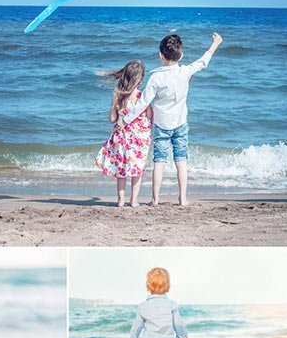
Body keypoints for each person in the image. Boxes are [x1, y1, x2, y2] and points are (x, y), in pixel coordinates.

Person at [126, 32, 223, 207]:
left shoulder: (156, 77)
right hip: (180, 123)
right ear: (181, 55)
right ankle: (182, 198)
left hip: (161, 125)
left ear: (160, 55)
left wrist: (125, 119)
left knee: (159, 162)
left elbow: (142, 103)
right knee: (181, 161)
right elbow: (203, 62)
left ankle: (155, 199)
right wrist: (215, 44)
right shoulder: (185, 71)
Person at [95, 60, 152, 209]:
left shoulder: (118, 95)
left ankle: (120, 200)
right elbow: (150, 115)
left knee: (122, 170)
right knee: (136, 170)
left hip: (121, 138)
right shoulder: (142, 97)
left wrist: (115, 104)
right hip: (139, 139)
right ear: (140, 79)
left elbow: (112, 119)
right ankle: (133, 200)